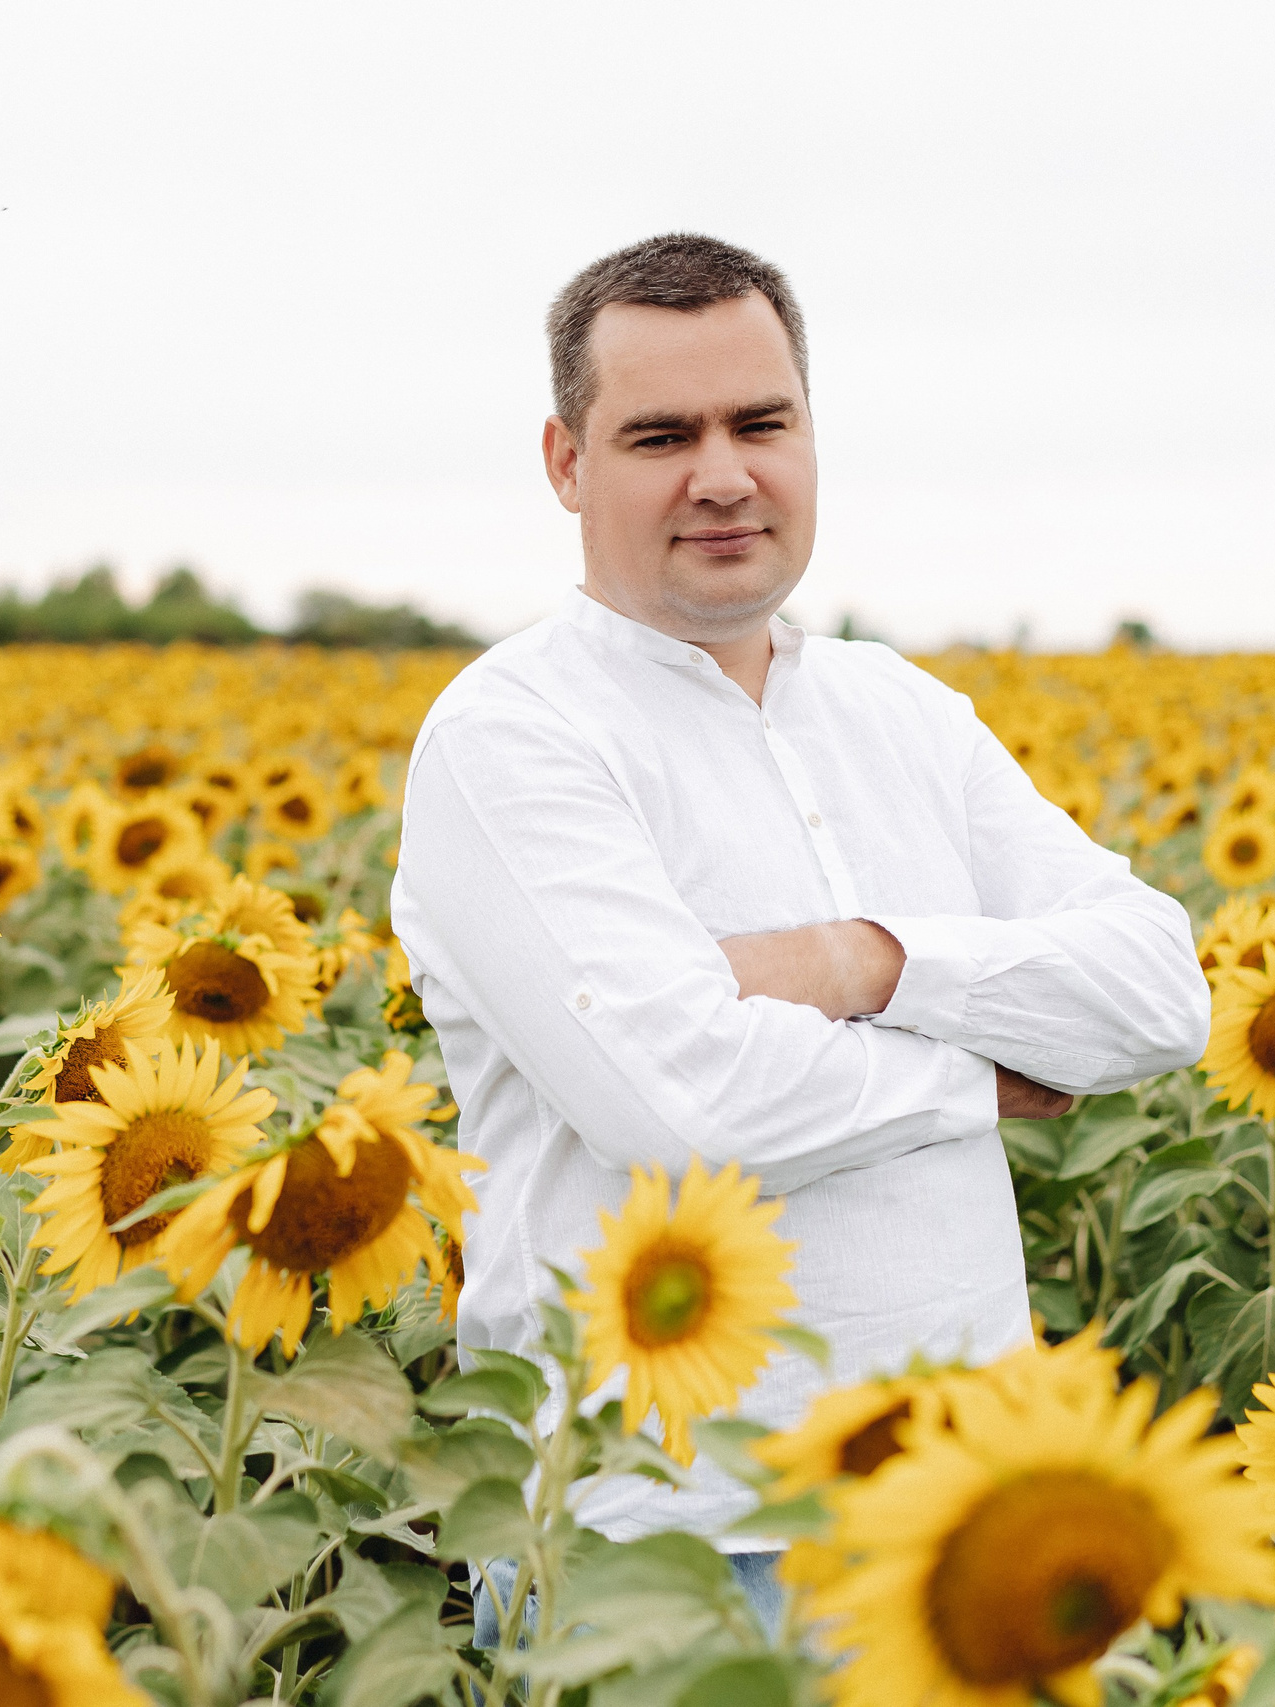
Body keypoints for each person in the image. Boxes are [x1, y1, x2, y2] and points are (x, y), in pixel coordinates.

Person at [389, 232, 1210, 1633]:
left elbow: (1157, 994)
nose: (723, 474)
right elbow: (683, 1101)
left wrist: (865, 964)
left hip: (967, 1518)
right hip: (658, 1543)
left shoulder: (904, 716)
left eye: (759, 423)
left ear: (809, 436)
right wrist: (983, 1074)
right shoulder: (512, 734)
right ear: (567, 463)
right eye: (661, 435)